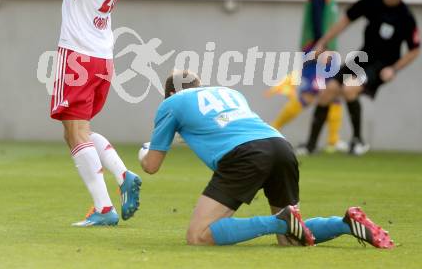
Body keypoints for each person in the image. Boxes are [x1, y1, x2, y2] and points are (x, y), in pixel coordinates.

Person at [48, 0, 188, 226]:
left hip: (78, 53)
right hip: (102, 57)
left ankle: (105, 208)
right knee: (77, 130)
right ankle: (124, 178)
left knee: (76, 131)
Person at [139, 70, 394, 248]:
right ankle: (345, 224)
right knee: (292, 238)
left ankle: (278, 221)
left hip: (244, 154)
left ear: (170, 92)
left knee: (199, 235)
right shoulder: (230, 93)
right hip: (281, 147)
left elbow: (151, 166)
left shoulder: (171, 103)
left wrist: (144, 153)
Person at [301, 0, 420, 155]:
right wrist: (322, 42)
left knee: (349, 88)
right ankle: (310, 146)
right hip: (362, 57)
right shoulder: (370, 1)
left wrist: (394, 69)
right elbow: (345, 21)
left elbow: (414, 49)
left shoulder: (406, 17)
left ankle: (358, 141)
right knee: (328, 90)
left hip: (383, 65)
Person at [265, 0, 346, 153]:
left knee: (334, 91)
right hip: (318, 49)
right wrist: (322, 45)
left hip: (326, 49)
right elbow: (317, 17)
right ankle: (269, 132)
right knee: (311, 94)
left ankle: (332, 142)